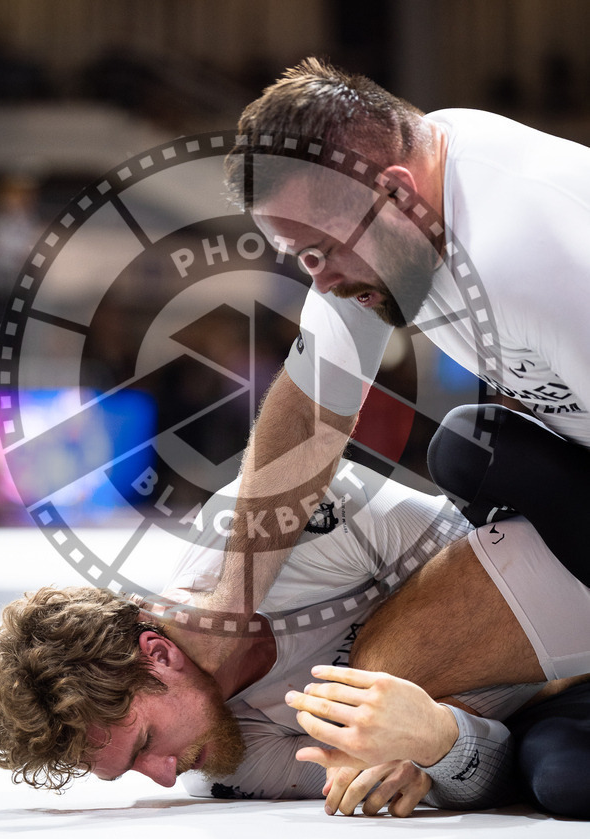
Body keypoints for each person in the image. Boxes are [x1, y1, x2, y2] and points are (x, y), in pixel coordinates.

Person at [173, 56, 590, 670]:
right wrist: (231, 604)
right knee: (467, 449)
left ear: (396, 190)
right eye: (302, 259)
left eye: (321, 252)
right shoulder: (406, 193)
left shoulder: (537, 255)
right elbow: (306, 412)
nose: (323, 281)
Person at [0, 457, 590, 818]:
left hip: (554, 568)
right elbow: (486, 767)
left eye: (145, 745)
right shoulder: (220, 769)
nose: (164, 779)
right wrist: (434, 741)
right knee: (560, 774)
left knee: (464, 447)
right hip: (550, 711)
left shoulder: (269, 520)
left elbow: (480, 570)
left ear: (156, 655)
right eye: (130, 773)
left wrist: (404, 709)